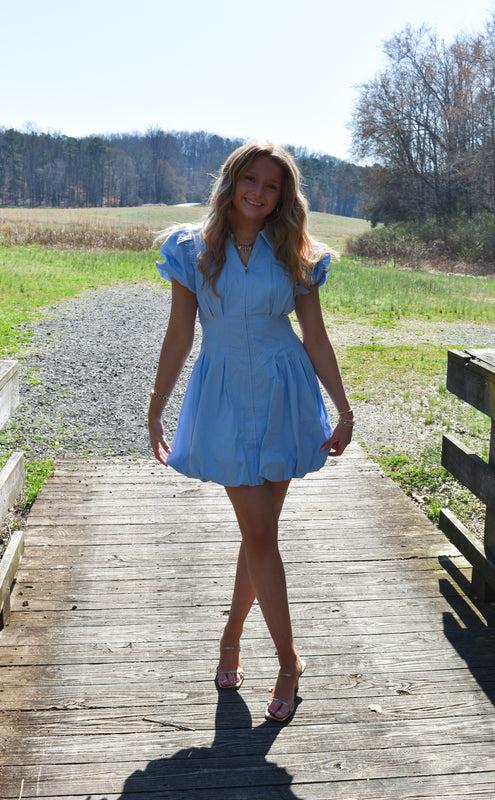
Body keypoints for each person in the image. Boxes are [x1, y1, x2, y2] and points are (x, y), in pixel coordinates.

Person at [148, 142, 353, 724]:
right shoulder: (191, 249)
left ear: (284, 196)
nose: (258, 192)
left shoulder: (297, 252)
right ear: (232, 180)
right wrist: (156, 406)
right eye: (250, 179)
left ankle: (232, 636)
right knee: (259, 532)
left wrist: (343, 409)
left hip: (285, 391)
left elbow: (314, 337)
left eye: (272, 185)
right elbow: (179, 335)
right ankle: (290, 662)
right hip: (225, 392)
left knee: (258, 534)